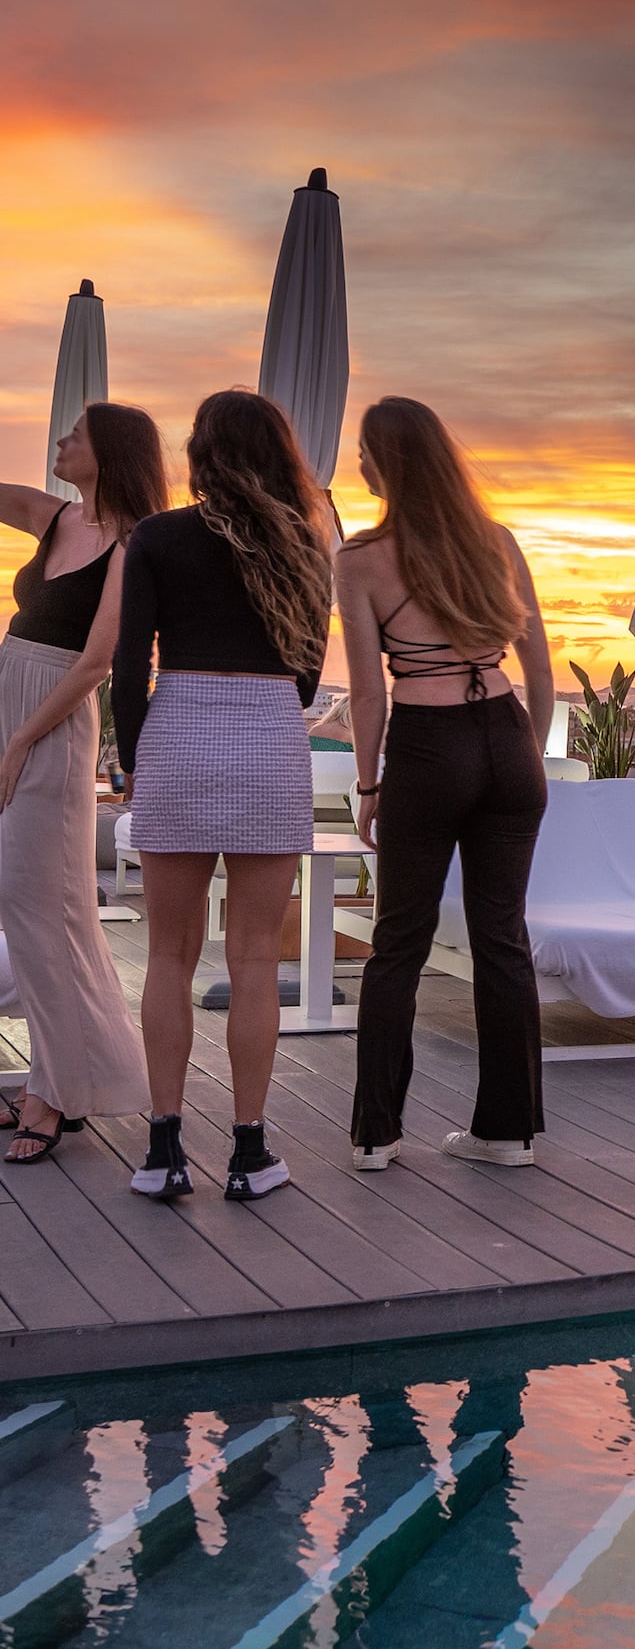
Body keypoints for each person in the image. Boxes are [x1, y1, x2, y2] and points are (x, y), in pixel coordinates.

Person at [113, 390, 332, 1203]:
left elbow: (130, 665)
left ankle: (162, 1150)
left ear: (200, 452)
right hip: (271, 736)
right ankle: (249, 1153)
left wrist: (134, 759)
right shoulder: (308, 542)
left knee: (169, 956)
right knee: (251, 959)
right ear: (279, 452)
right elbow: (308, 675)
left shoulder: (159, 536)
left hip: (178, 730)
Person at [337, 398, 554, 1172]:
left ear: (388, 462)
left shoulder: (361, 560)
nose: (356, 462)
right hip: (506, 738)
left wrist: (368, 786)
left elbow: (367, 694)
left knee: (398, 943)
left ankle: (376, 1135)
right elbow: (538, 672)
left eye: (363, 451)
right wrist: (521, 753)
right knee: (503, 942)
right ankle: (508, 1135)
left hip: (428, 748)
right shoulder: (493, 542)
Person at [0, 406, 160, 1161]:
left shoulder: (133, 544)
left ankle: (54, 1096)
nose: (60, 444)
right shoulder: (54, 517)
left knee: (46, 912)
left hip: (53, 727)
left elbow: (97, 662)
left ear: (111, 452)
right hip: (12, 705)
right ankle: (55, 1080)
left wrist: (22, 740)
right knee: (31, 910)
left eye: (75, 435)